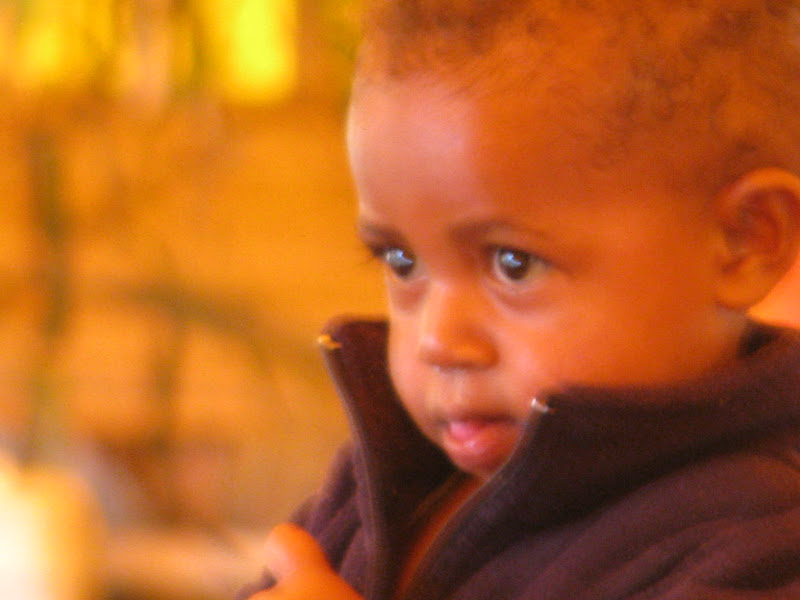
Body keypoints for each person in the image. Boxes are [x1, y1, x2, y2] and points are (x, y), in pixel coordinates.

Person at [241, 1, 800, 598]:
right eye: (401, 262)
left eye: (514, 264)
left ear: (745, 241)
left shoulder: (758, 546)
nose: (437, 340)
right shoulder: (381, 483)